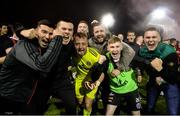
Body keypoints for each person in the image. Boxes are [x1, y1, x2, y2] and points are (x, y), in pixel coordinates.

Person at [0, 19, 63, 115]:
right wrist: (58, 37)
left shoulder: (39, 47)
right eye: (44, 32)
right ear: (35, 32)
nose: (47, 36)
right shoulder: (24, 44)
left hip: (23, 98)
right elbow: (43, 65)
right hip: (8, 98)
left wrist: (20, 31)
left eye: (50, 34)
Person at [138, 27, 179, 115]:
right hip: (153, 82)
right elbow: (139, 63)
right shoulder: (143, 51)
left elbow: (174, 77)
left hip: (169, 83)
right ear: (143, 39)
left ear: (159, 39)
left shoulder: (169, 52)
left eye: (154, 37)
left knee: (173, 112)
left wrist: (160, 69)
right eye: (148, 37)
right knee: (149, 108)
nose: (150, 40)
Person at [72, 32, 105, 116]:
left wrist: (96, 83)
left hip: (91, 82)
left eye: (83, 44)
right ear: (73, 44)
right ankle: (82, 109)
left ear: (87, 44)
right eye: (77, 44)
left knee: (87, 104)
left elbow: (102, 74)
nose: (80, 47)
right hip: (79, 81)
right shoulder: (72, 53)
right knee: (80, 102)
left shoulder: (94, 56)